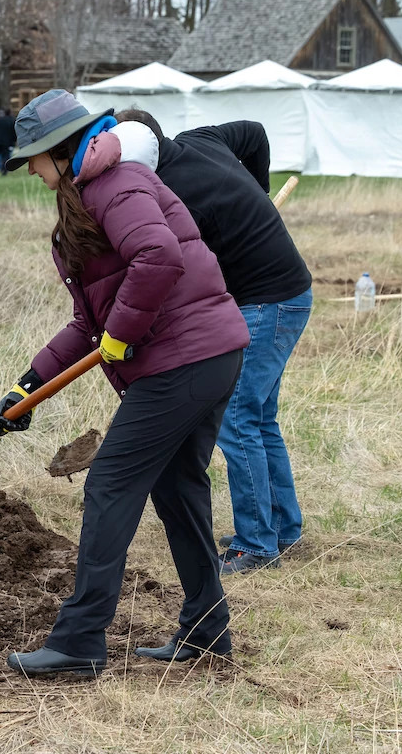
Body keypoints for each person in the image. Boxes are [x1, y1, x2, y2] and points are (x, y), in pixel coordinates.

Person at [0, 90, 250, 677]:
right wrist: (29, 384)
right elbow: (89, 323)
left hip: (185, 361)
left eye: (34, 159)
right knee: (177, 489)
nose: (32, 172)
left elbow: (159, 257)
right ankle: (207, 631)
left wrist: (125, 329)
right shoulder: (91, 195)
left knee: (111, 482)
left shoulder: (118, 185)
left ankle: (80, 641)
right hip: (204, 355)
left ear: (61, 152)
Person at [115, 109, 314, 574]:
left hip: (267, 302)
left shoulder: (172, 198)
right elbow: (256, 132)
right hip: (291, 293)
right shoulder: (201, 137)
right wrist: (259, 190)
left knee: (239, 418)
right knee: (260, 416)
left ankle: (255, 544)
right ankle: (283, 528)